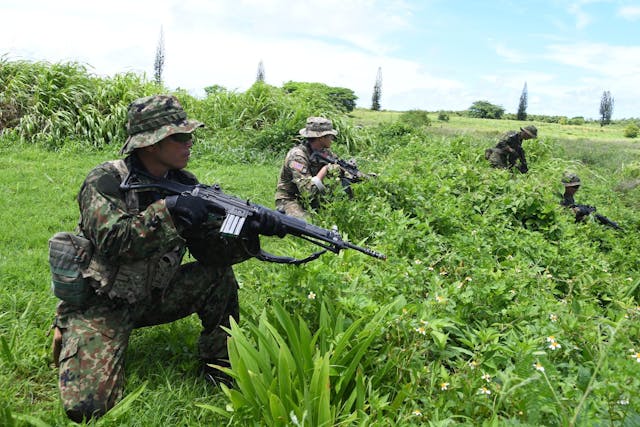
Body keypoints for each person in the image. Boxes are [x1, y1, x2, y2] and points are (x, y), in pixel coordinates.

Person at [50, 94, 284, 423]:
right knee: (88, 408)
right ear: (150, 144)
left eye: (190, 134)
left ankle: (220, 364)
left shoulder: (185, 184)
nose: (190, 142)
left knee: (218, 277)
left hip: (153, 295)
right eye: (180, 136)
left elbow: (211, 252)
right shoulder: (104, 182)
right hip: (102, 303)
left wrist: (249, 231)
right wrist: (169, 212)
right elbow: (113, 241)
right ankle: (68, 324)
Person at [274, 116, 342, 219]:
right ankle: (283, 214)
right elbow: (307, 191)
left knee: (336, 216)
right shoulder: (297, 157)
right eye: (329, 136)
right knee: (309, 224)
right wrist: (325, 171)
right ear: (321, 138)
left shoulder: (325, 153)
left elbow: (342, 168)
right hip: (290, 199)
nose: (332, 139)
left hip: (314, 199)